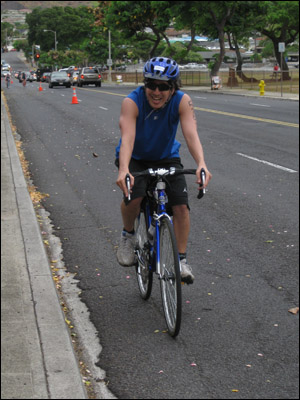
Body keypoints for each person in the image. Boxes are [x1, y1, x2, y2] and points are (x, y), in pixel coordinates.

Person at [115, 56, 212, 284]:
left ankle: (181, 260)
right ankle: (128, 235)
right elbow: (127, 138)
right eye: (151, 85)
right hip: (135, 157)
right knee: (135, 197)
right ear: (145, 84)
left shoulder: (182, 101)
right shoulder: (132, 101)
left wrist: (201, 163)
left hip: (166, 157)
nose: (156, 92)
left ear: (173, 87)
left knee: (180, 206)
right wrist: (124, 169)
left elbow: (190, 134)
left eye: (163, 87)